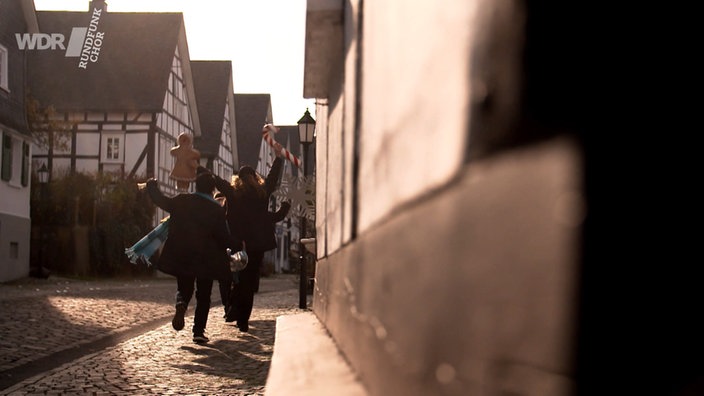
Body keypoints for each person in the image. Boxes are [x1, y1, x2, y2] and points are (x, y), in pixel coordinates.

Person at [145, 171, 232, 344]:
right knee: (204, 294)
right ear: (212, 189)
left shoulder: (181, 200)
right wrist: (237, 246)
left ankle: (181, 303)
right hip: (206, 258)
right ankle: (198, 332)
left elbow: (162, 201)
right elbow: (223, 236)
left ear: (196, 185)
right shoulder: (216, 209)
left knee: (185, 286)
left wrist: (152, 186)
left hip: (182, 253)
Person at [209, 146, 289, 333]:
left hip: (238, 243)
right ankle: (243, 320)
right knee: (250, 282)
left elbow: (218, 182)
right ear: (255, 178)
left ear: (238, 179)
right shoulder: (262, 193)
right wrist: (278, 159)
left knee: (237, 278)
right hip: (257, 246)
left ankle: (233, 309)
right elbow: (272, 178)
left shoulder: (233, 192)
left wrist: (198, 166)